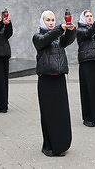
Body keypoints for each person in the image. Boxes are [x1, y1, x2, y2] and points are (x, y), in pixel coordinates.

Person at [32, 10, 76, 157]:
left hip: (59, 79)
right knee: (49, 114)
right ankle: (49, 145)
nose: (51, 22)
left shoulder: (59, 38)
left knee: (61, 113)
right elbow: (46, 39)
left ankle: (62, 144)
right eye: (48, 20)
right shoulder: (38, 37)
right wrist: (60, 29)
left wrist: (71, 30)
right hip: (46, 80)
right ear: (42, 22)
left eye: (52, 20)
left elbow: (68, 40)